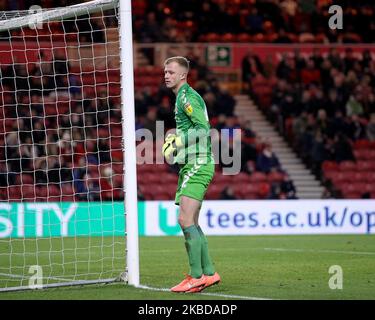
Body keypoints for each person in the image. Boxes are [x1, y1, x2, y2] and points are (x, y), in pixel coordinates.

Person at [162, 56, 221, 293]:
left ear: (183, 75)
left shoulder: (186, 96)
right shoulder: (183, 98)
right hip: (193, 163)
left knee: (184, 221)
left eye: (171, 72)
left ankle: (195, 277)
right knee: (193, 222)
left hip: (198, 163)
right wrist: (174, 136)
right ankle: (209, 273)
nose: (166, 75)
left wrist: (178, 141)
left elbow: (203, 129)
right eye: (165, 72)